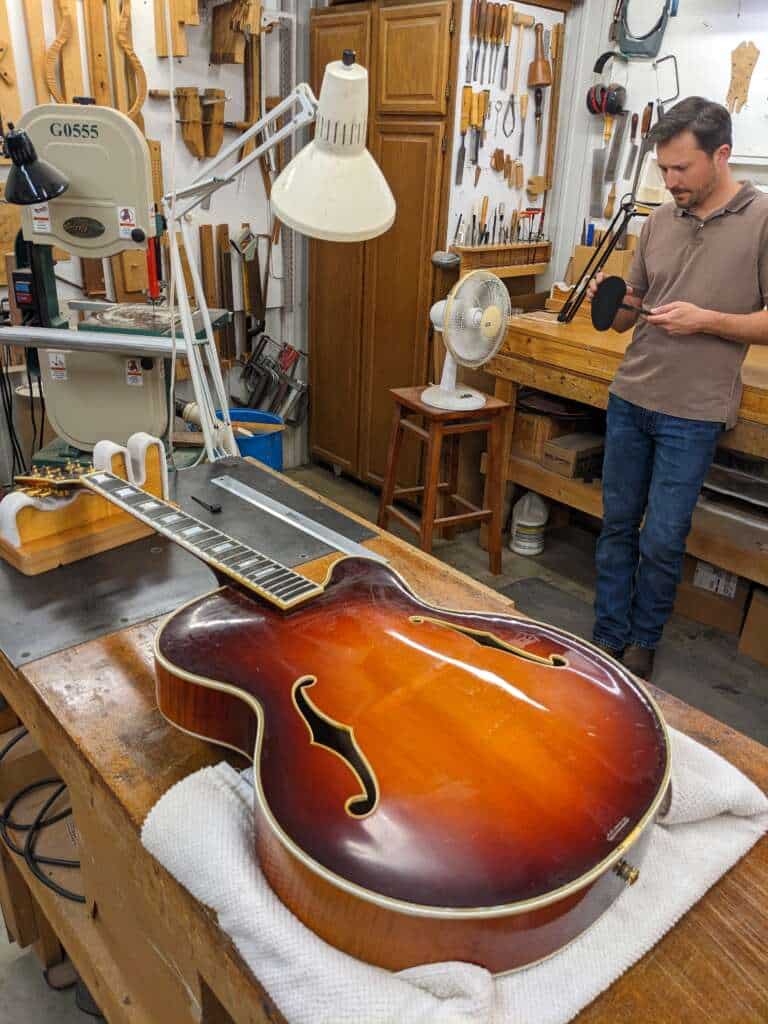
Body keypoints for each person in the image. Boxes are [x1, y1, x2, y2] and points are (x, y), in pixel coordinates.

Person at [587, 97, 768, 679]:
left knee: (662, 539)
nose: (670, 182)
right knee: (616, 524)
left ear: (722, 154)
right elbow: (630, 315)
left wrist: (707, 320)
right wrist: (611, 304)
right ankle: (607, 636)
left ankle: (643, 641)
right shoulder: (658, 220)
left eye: (681, 169)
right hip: (632, 396)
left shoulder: (761, 221)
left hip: (692, 412)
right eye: (663, 169)